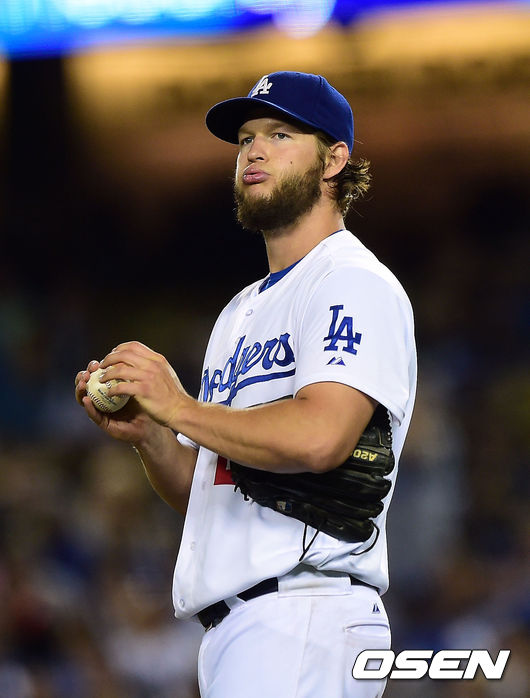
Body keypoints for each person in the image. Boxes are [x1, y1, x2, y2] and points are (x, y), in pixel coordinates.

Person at [75, 71, 417, 698]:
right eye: (245, 139)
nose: (254, 151)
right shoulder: (239, 312)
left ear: (334, 160)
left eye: (280, 134)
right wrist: (152, 434)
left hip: (304, 610)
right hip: (244, 627)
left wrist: (178, 406)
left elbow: (321, 437)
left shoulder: (350, 280)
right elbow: (212, 496)